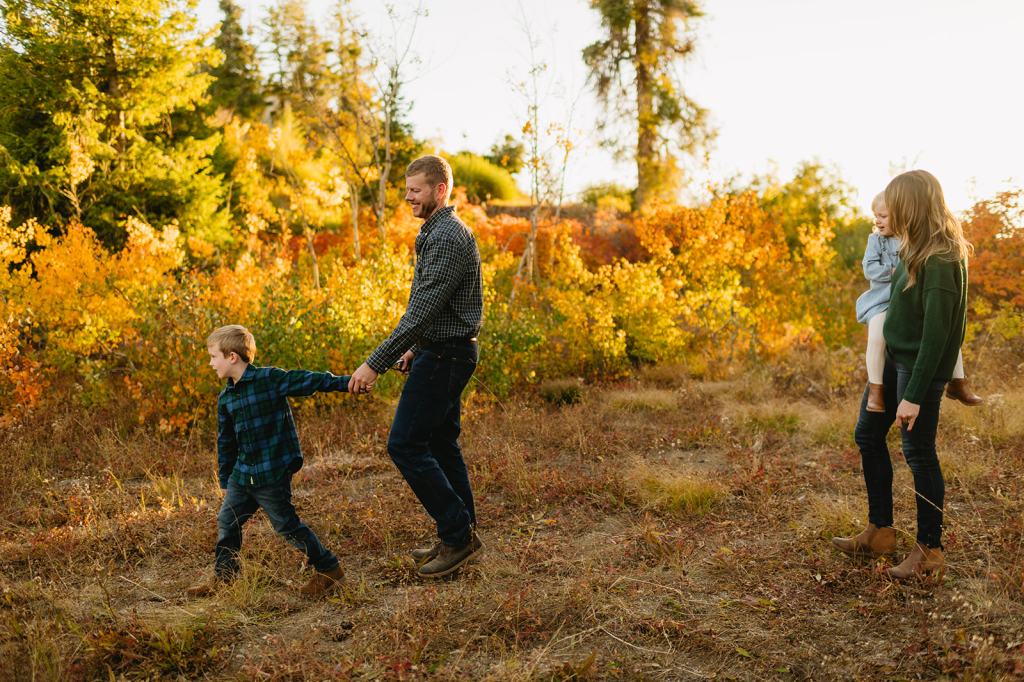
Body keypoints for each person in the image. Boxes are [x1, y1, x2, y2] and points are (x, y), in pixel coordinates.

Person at [348, 155, 484, 579]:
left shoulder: (447, 237)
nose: (408, 197)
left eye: (415, 190)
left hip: (447, 356)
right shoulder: (437, 232)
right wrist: (414, 348)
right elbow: (433, 307)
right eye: (406, 189)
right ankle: (460, 534)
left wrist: (375, 363)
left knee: (405, 445)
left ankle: (458, 535)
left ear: (439, 190)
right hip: (440, 350)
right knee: (441, 444)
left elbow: (421, 310)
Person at [833, 170, 973, 579]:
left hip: (918, 369)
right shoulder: (913, 248)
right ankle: (880, 531)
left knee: (919, 453)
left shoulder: (941, 259)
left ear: (911, 207)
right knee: (868, 435)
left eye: (894, 204)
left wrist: (913, 394)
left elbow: (937, 336)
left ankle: (930, 550)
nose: (887, 212)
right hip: (895, 359)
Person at [188, 324, 356, 597]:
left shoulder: (269, 379)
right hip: (242, 475)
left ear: (232, 357)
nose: (210, 363)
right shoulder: (226, 397)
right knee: (227, 521)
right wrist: (225, 480)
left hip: (271, 474)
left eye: (213, 356)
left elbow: (309, 380)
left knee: (287, 526)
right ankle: (225, 579)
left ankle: (329, 569)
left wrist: (346, 382)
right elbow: (226, 441)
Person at [856, 193, 981, 413]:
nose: (878, 220)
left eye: (883, 216)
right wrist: (895, 272)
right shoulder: (875, 240)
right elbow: (869, 269)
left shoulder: (913, 239)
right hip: (882, 301)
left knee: (948, 334)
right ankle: (876, 389)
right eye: (876, 216)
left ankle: (958, 381)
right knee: (876, 336)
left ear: (901, 215)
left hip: (907, 300)